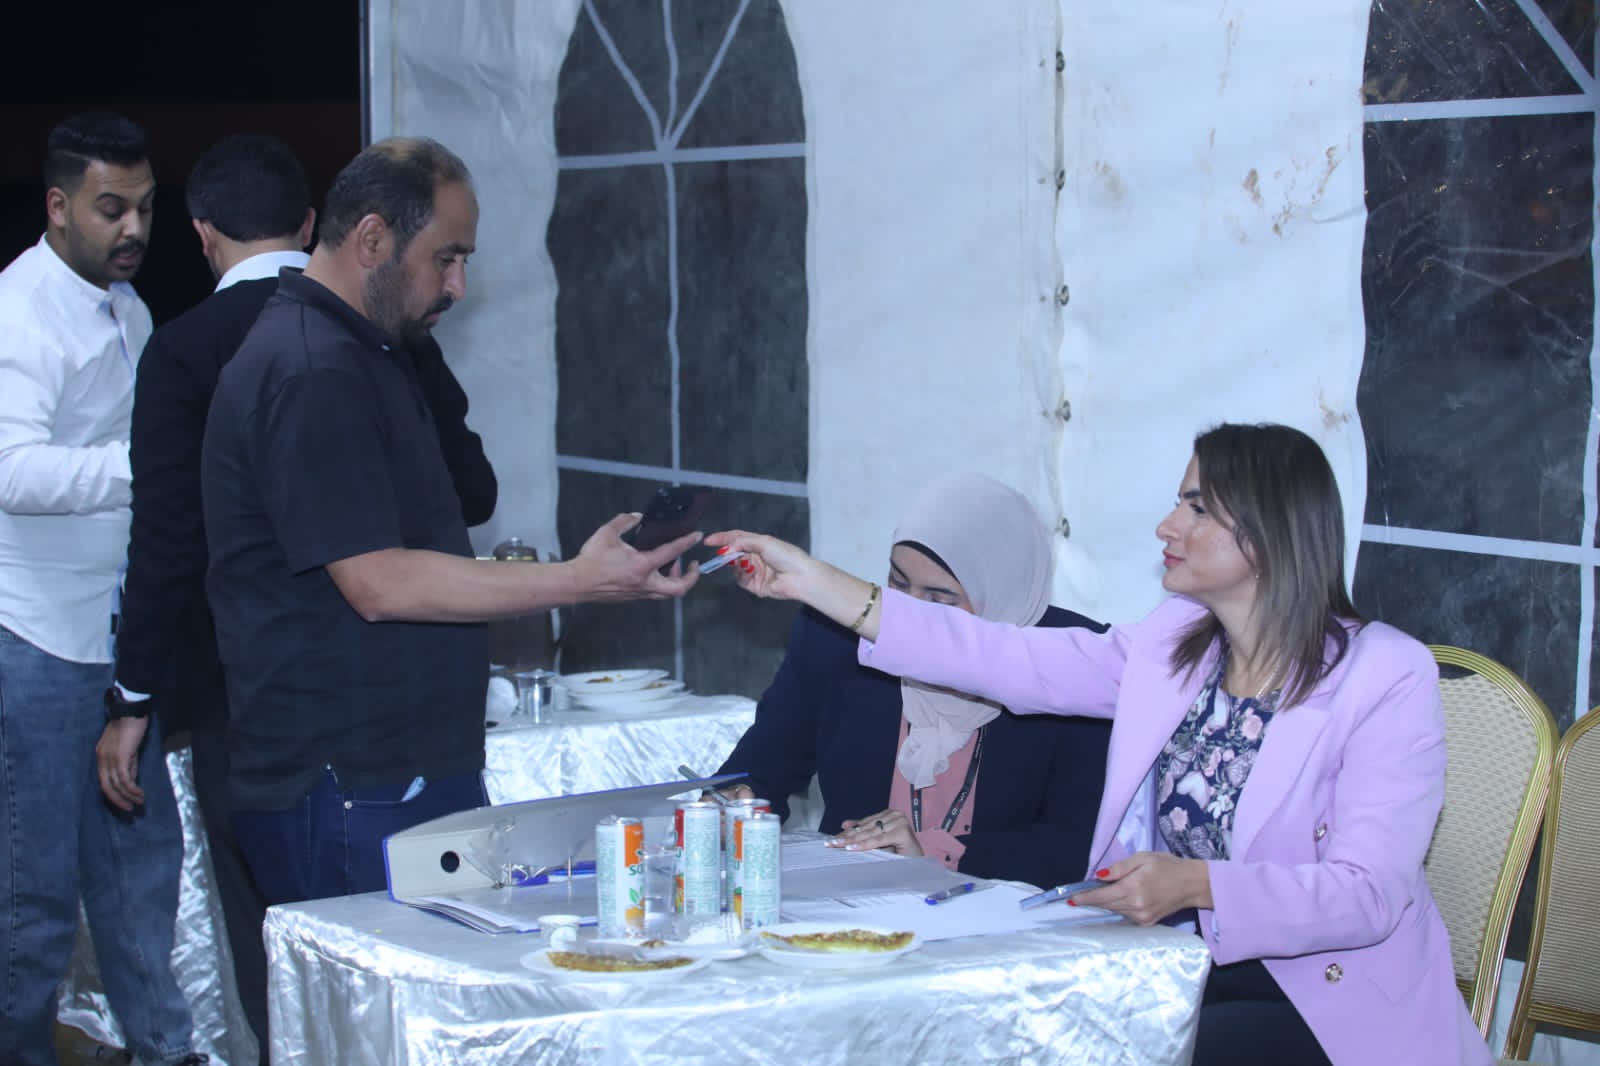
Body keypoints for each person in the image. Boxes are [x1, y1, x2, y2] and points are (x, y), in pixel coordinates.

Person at [708, 423, 1493, 1066]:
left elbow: (1367, 895)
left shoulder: (1385, 674)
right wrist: (812, 580)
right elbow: (998, 656)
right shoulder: (1177, 644)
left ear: (1266, 534)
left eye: (1195, 508)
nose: (1166, 526)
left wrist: (1197, 884)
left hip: (1319, 1000)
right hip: (1170, 966)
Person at [202, 136, 702, 908]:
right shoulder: (311, 369)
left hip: (398, 765)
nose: (459, 285)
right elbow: (378, 581)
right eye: (446, 258)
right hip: (348, 778)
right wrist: (578, 580)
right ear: (372, 239)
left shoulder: (367, 350)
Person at [92, 132, 496, 1063]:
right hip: (357, 711)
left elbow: (165, 541)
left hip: (244, 695)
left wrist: (135, 692)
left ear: (201, 234)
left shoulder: (190, 346)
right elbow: (470, 493)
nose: (453, 283)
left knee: (283, 959)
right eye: (448, 259)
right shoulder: (375, 330)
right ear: (317, 223)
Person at [0, 113, 208, 1066]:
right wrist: (144, 471)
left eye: (147, 208)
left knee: (139, 875)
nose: (134, 229)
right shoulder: (20, 310)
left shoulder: (129, 310)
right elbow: (10, 469)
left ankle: (165, 1050)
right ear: (58, 206)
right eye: (111, 208)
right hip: (34, 637)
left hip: (117, 636)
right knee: (33, 897)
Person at [714, 472, 1110, 888]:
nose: (911, 613)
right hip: (850, 902)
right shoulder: (838, 637)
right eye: (898, 584)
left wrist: (934, 853)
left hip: (1003, 914)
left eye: (939, 600)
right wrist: (733, 802)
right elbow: (762, 768)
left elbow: (1074, 847)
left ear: (1001, 594)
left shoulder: (1071, 664)